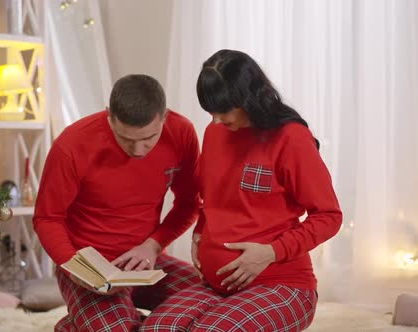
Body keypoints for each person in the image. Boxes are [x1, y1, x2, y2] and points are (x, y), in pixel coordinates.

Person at [141, 50, 342, 331]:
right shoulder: (216, 133)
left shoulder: (291, 139)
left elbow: (329, 216)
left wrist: (271, 252)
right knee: (156, 328)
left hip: (282, 285)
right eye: (211, 112)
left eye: (223, 111)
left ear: (249, 99)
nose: (215, 121)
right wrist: (201, 231)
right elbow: (213, 198)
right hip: (217, 286)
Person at [33, 74, 202, 332]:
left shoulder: (181, 132)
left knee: (215, 305)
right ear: (108, 116)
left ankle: (77, 326)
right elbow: (47, 218)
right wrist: (75, 267)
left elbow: (189, 204)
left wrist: (153, 247)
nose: (138, 150)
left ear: (164, 117)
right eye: (126, 139)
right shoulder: (72, 144)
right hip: (89, 270)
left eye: (149, 138)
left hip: (147, 263)